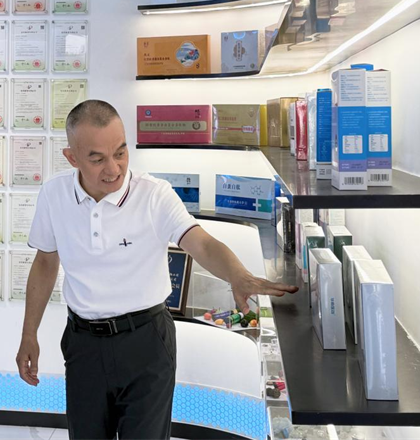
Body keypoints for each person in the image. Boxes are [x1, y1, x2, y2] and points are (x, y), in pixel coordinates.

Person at [16, 100, 298, 440]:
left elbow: (201, 243)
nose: (114, 168)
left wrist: (238, 275)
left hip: (146, 341)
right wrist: (29, 334)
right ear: (72, 157)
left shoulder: (154, 195)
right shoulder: (54, 194)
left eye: (121, 153)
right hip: (83, 343)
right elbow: (45, 262)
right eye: (97, 159)